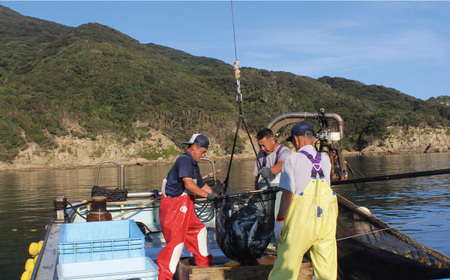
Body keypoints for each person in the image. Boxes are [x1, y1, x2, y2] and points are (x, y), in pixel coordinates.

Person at [269, 122, 338, 280]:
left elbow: (288, 195)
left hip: (301, 223)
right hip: (326, 222)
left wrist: (279, 221)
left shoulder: (292, 161)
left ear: (296, 140)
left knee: (286, 268)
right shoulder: (326, 160)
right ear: (313, 140)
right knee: (326, 271)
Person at [157, 134, 218, 280]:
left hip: (186, 208)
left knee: (200, 231)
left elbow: (202, 185)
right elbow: (189, 184)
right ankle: (163, 277)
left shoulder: (193, 164)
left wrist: (217, 194)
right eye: (203, 152)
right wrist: (206, 196)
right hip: (174, 208)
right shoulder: (184, 160)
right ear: (194, 147)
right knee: (176, 245)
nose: (203, 155)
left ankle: (205, 270)